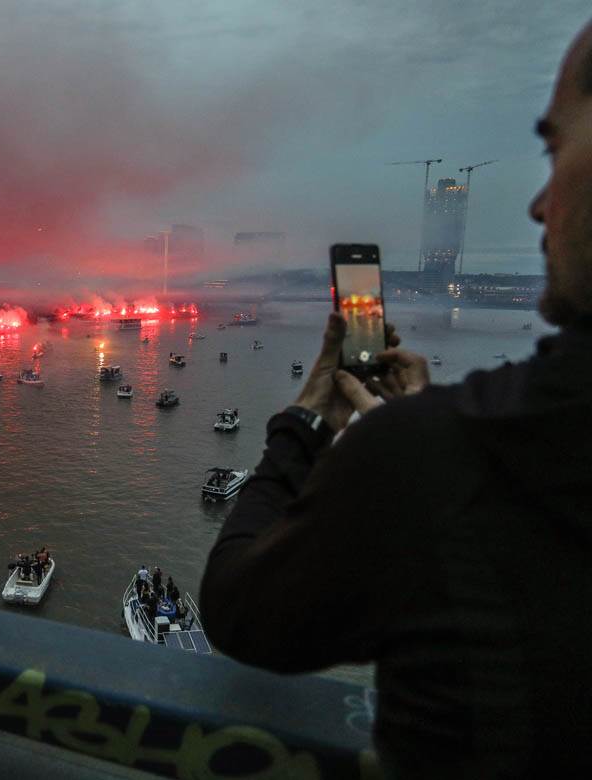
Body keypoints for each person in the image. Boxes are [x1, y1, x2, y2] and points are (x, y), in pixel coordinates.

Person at [201, 20, 592, 777]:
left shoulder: (444, 455)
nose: (538, 205)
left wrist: (313, 418)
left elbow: (240, 611)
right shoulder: (452, 450)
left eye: (554, 150)